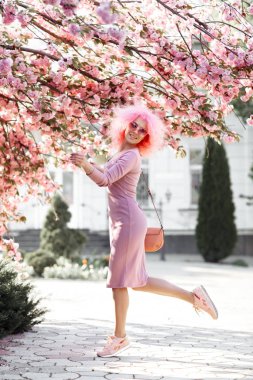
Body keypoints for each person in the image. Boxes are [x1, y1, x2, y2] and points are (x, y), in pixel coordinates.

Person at [70, 104, 218, 358]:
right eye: (133, 125)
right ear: (125, 125)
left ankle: (119, 338)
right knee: (138, 283)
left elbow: (104, 180)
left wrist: (85, 165)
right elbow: (107, 174)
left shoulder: (131, 156)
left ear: (147, 137)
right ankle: (194, 297)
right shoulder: (121, 153)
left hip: (127, 223)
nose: (136, 131)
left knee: (118, 282)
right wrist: (88, 163)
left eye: (142, 130)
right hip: (124, 221)